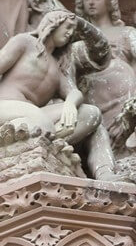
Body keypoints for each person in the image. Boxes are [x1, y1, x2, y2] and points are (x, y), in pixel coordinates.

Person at [0, 10, 118, 180]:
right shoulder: (25, 42)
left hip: (35, 117)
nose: (70, 32)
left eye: (72, 30)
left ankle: (40, 143)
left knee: (90, 114)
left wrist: (70, 104)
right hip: (5, 106)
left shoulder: (57, 67)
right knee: (39, 120)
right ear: (53, 23)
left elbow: (73, 92)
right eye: (67, 26)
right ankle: (28, 140)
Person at [73, 0, 136, 129]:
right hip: (88, 85)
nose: (90, 2)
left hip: (120, 82)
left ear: (109, 2)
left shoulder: (126, 32)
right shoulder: (77, 37)